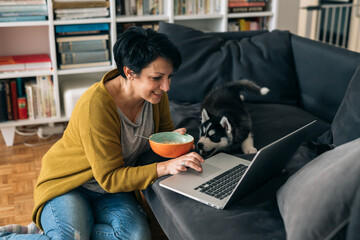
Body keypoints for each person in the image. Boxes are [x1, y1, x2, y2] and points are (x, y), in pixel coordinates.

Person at [0, 26, 204, 240]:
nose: (166, 86)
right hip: (71, 185)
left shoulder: (155, 97)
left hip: (112, 192)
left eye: (169, 77)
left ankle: (54, 231)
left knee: (136, 237)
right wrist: (164, 167)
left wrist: (173, 143)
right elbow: (109, 177)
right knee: (69, 237)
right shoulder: (97, 105)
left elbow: (159, 138)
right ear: (129, 72)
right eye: (157, 78)